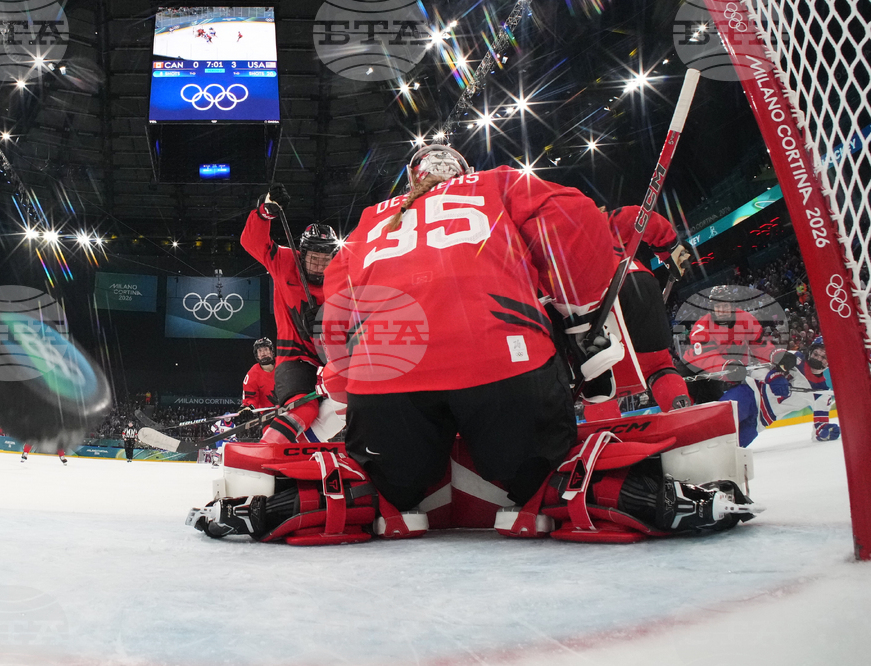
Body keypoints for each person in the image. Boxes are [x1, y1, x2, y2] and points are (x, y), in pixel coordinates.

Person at [192, 145, 756, 543]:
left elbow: (336, 306)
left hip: (385, 385)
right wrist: (581, 315)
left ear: (412, 179)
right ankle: (605, 493)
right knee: (541, 469)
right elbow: (576, 217)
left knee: (389, 486)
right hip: (503, 368)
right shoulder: (498, 183)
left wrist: (346, 385)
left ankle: (306, 504)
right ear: (462, 171)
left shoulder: (371, 221)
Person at [240, 182, 338, 447]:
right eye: (313, 258)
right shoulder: (285, 262)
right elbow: (252, 242)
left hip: (332, 360)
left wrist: (330, 322)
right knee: (303, 410)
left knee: (353, 407)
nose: (319, 265)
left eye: (325, 259)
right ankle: (266, 452)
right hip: (295, 358)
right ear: (302, 253)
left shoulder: (343, 278)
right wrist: (265, 212)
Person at [584, 206, 693, 421]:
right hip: (639, 279)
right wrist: (673, 251)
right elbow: (640, 216)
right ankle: (681, 412)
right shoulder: (600, 221)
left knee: (596, 377)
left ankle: (607, 431)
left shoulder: (553, 242)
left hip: (599, 295)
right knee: (659, 365)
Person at [719, 339, 836, 447]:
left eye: (824, 357)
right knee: (719, 422)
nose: (818, 359)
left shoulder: (823, 394)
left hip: (759, 422)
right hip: (749, 393)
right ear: (810, 351)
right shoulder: (792, 358)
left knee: (730, 449)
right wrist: (771, 376)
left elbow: (819, 428)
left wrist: (825, 431)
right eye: (816, 353)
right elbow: (753, 369)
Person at [682, 284, 773, 403]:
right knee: (683, 397)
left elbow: (760, 345)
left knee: (718, 404)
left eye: (725, 305)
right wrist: (727, 367)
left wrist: (776, 355)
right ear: (712, 309)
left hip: (724, 369)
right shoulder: (701, 326)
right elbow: (707, 358)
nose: (722, 310)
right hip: (695, 367)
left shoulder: (746, 319)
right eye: (718, 306)